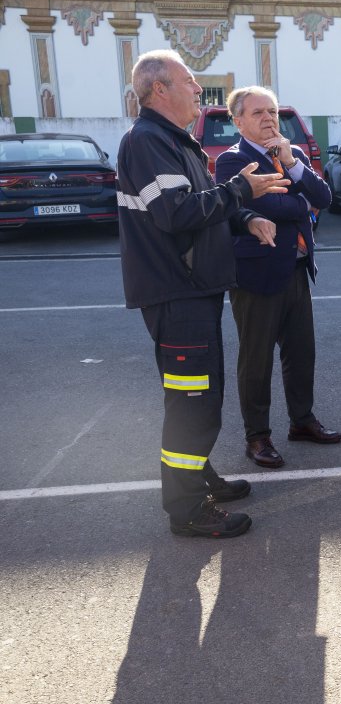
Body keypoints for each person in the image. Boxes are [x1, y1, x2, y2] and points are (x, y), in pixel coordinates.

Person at [117, 49, 288, 538]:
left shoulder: (175, 142)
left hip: (191, 289)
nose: (199, 90)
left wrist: (247, 217)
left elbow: (200, 206)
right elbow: (176, 214)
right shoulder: (148, 141)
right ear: (159, 90)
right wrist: (241, 192)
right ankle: (187, 509)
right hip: (177, 292)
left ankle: (197, 476)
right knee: (193, 401)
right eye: (190, 81)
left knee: (199, 396)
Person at [215, 86, 341, 468]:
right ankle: (257, 436)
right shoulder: (230, 162)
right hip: (255, 273)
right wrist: (299, 201)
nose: (268, 118)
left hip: (298, 269)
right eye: (257, 113)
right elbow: (269, 204)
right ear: (238, 121)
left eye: (271, 111)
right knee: (256, 360)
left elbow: (324, 198)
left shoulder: (294, 153)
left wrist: (290, 163)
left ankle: (302, 421)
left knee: (301, 354)